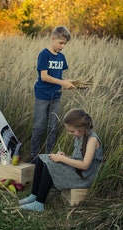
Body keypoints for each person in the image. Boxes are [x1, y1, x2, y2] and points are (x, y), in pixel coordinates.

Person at [19, 108, 103, 212]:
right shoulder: (80, 136)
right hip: (78, 169)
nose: (69, 133)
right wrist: (65, 157)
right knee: (42, 159)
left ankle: (39, 203)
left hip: (84, 176)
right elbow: (78, 158)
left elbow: (85, 165)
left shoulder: (92, 140)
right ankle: (34, 194)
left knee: (50, 165)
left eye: (71, 131)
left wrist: (63, 159)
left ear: (81, 128)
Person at [30, 26, 75, 163]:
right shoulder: (44, 54)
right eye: (61, 43)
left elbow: (59, 76)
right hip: (43, 96)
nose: (62, 46)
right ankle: (34, 157)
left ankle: (49, 158)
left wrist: (67, 82)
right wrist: (62, 82)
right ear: (53, 39)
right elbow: (44, 76)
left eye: (65, 44)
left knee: (52, 127)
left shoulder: (61, 57)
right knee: (39, 126)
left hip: (56, 96)